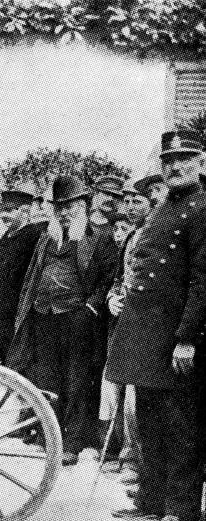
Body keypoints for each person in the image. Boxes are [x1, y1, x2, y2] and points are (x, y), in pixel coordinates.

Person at [105, 130, 206, 521]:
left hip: (177, 333)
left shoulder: (202, 209)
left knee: (182, 421)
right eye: (168, 160)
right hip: (147, 330)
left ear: (201, 162)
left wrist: (187, 337)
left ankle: (181, 510)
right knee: (149, 417)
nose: (175, 166)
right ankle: (152, 498)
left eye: (184, 159)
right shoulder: (164, 206)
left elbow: (203, 280)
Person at [6, 175, 117, 466]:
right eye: (59, 207)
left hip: (77, 318)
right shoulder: (46, 239)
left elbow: (108, 277)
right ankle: (51, 435)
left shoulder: (99, 239)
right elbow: (32, 275)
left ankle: (73, 443)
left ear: (83, 205)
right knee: (47, 378)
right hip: (43, 315)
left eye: (70, 206)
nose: (64, 212)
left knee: (77, 378)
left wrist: (92, 307)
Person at [100, 178, 154, 483]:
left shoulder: (154, 232)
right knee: (116, 386)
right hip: (124, 320)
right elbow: (120, 278)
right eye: (128, 201)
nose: (131, 207)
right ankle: (125, 454)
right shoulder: (132, 236)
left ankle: (136, 460)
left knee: (137, 394)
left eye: (138, 201)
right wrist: (112, 298)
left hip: (146, 321)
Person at [0, 183, 48, 362]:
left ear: (25, 211)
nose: (4, 215)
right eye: (2, 210)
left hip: (22, 309)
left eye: (9, 210)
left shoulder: (34, 236)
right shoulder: (5, 238)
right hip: (4, 307)